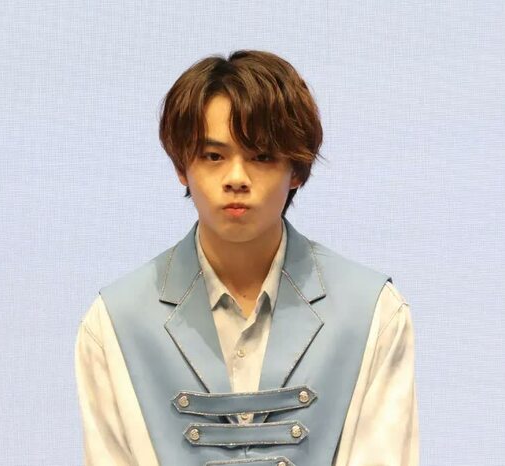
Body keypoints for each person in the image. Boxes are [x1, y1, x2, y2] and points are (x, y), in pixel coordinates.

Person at [74, 49, 419, 465]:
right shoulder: (116, 321)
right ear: (182, 166)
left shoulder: (372, 313)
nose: (236, 178)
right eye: (213, 156)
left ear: (297, 169)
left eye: (261, 156)